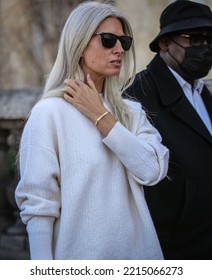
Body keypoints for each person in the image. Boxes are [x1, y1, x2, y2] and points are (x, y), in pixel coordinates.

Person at [15, 1, 169, 260]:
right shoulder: (49, 113)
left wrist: (101, 117)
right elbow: (39, 205)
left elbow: (152, 171)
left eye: (124, 41)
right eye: (108, 40)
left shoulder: (131, 113)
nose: (120, 49)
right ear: (79, 43)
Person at [126, 0, 212, 260]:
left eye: (210, 40)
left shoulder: (199, 88)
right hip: (174, 248)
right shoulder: (137, 94)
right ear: (164, 43)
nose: (205, 48)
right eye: (195, 38)